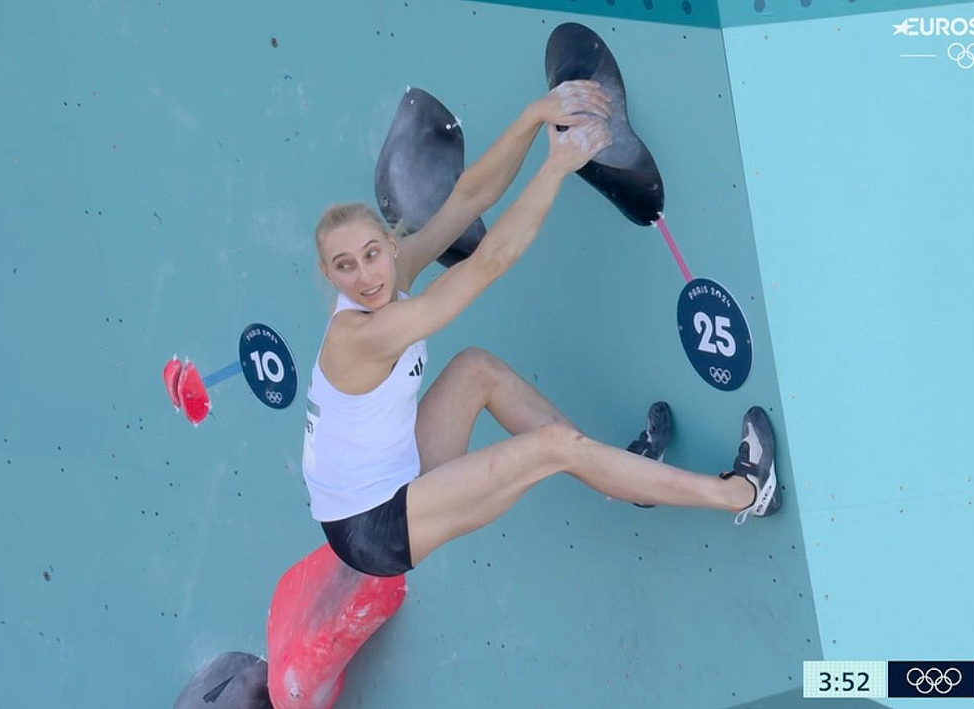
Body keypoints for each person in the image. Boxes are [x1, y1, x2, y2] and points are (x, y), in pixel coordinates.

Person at [302, 81, 780, 577]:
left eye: (370, 254)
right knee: (553, 447)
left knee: (475, 369)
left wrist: (533, 116)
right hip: (373, 528)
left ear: (391, 245)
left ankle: (624, 476)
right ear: (329, 275)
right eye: (344, 267)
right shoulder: (362, 334)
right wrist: (555, 167)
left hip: (393, 473)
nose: (363, 276)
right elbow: (487, 265)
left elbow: (468, 197)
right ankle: (741, 492)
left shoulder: (390, 278)